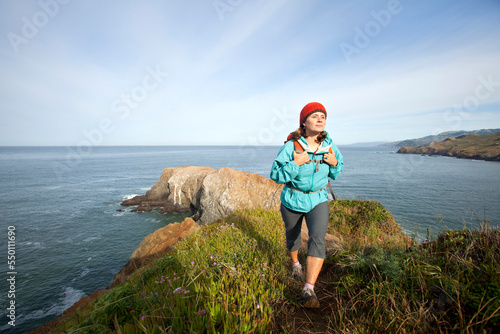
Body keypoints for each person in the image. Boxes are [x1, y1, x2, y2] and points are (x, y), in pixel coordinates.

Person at [270, 102, 343, 308]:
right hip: (293, 199)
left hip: (318, 199)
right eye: (315, 116)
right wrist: (296, 164)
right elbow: (275, 175)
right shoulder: (291, 146)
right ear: (304, 121)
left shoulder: (330, 146)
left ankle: (308, 288)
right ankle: (295, 264)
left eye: (323, 116)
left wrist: (334, 164)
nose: (320, 119)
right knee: (292, 237)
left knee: (317, 239)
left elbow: (337, 172)